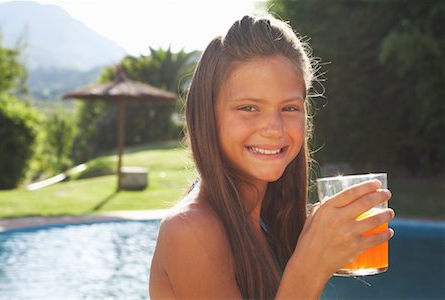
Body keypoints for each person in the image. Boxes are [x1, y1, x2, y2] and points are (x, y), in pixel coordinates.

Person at [149, 14, 394, 299]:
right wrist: (310, 267)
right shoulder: (190, 231)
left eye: (289, 108)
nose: (274, 129)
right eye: (249, 108)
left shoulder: (266, 221)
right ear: (207, 116)